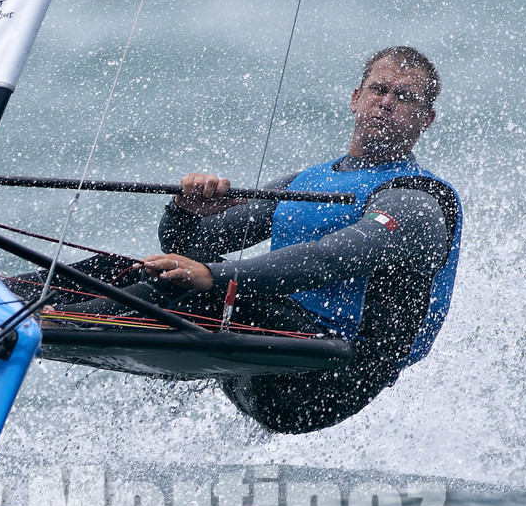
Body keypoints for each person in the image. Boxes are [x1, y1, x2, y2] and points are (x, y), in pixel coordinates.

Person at [46, 46, 461, 433]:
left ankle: (43, 323)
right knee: (140, 269)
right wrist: (184, 212)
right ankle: (4, 299)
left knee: (184, 283)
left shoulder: (418, 201)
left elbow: (327, 259)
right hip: (262, 358)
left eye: (404, 97)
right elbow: (189, 249)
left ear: (427, 119)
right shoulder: (305, 182)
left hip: (329, 378)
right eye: (379, 89)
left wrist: (212, 275)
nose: (386, 103)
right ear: (356, 97)